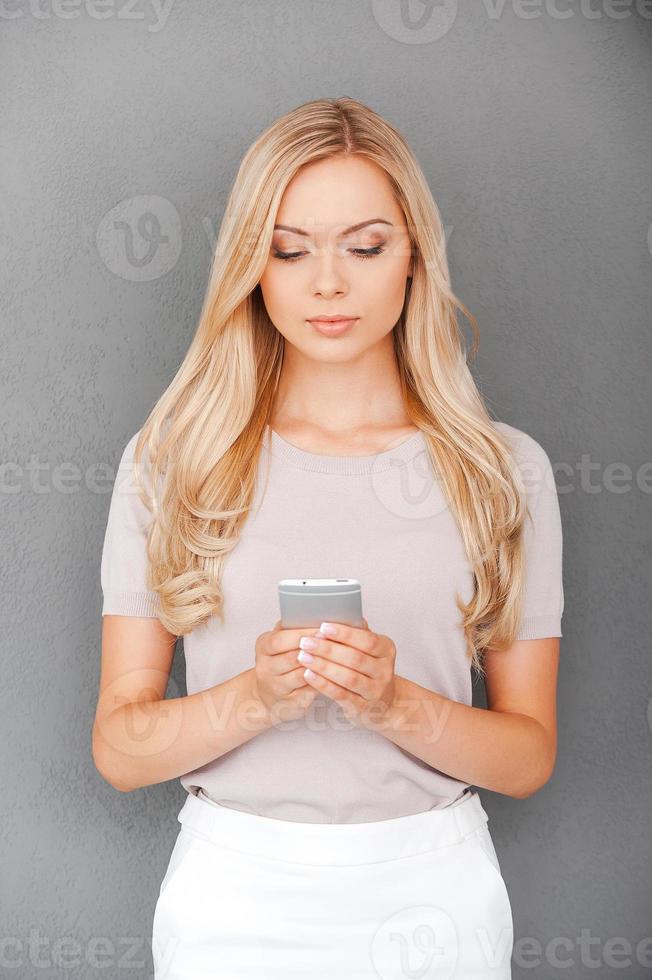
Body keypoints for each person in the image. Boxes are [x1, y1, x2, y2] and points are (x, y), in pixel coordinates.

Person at [93, 96, 564, 979]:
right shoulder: (173, 462)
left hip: (435, 895)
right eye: (289, 249)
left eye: (365, 245)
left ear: (414, 253)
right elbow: (119, 750)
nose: (328, 284)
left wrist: (395, 706)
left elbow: (528, 754)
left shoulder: (506, 471)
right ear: (253, 266)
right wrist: (257, 698)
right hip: (231, 896)